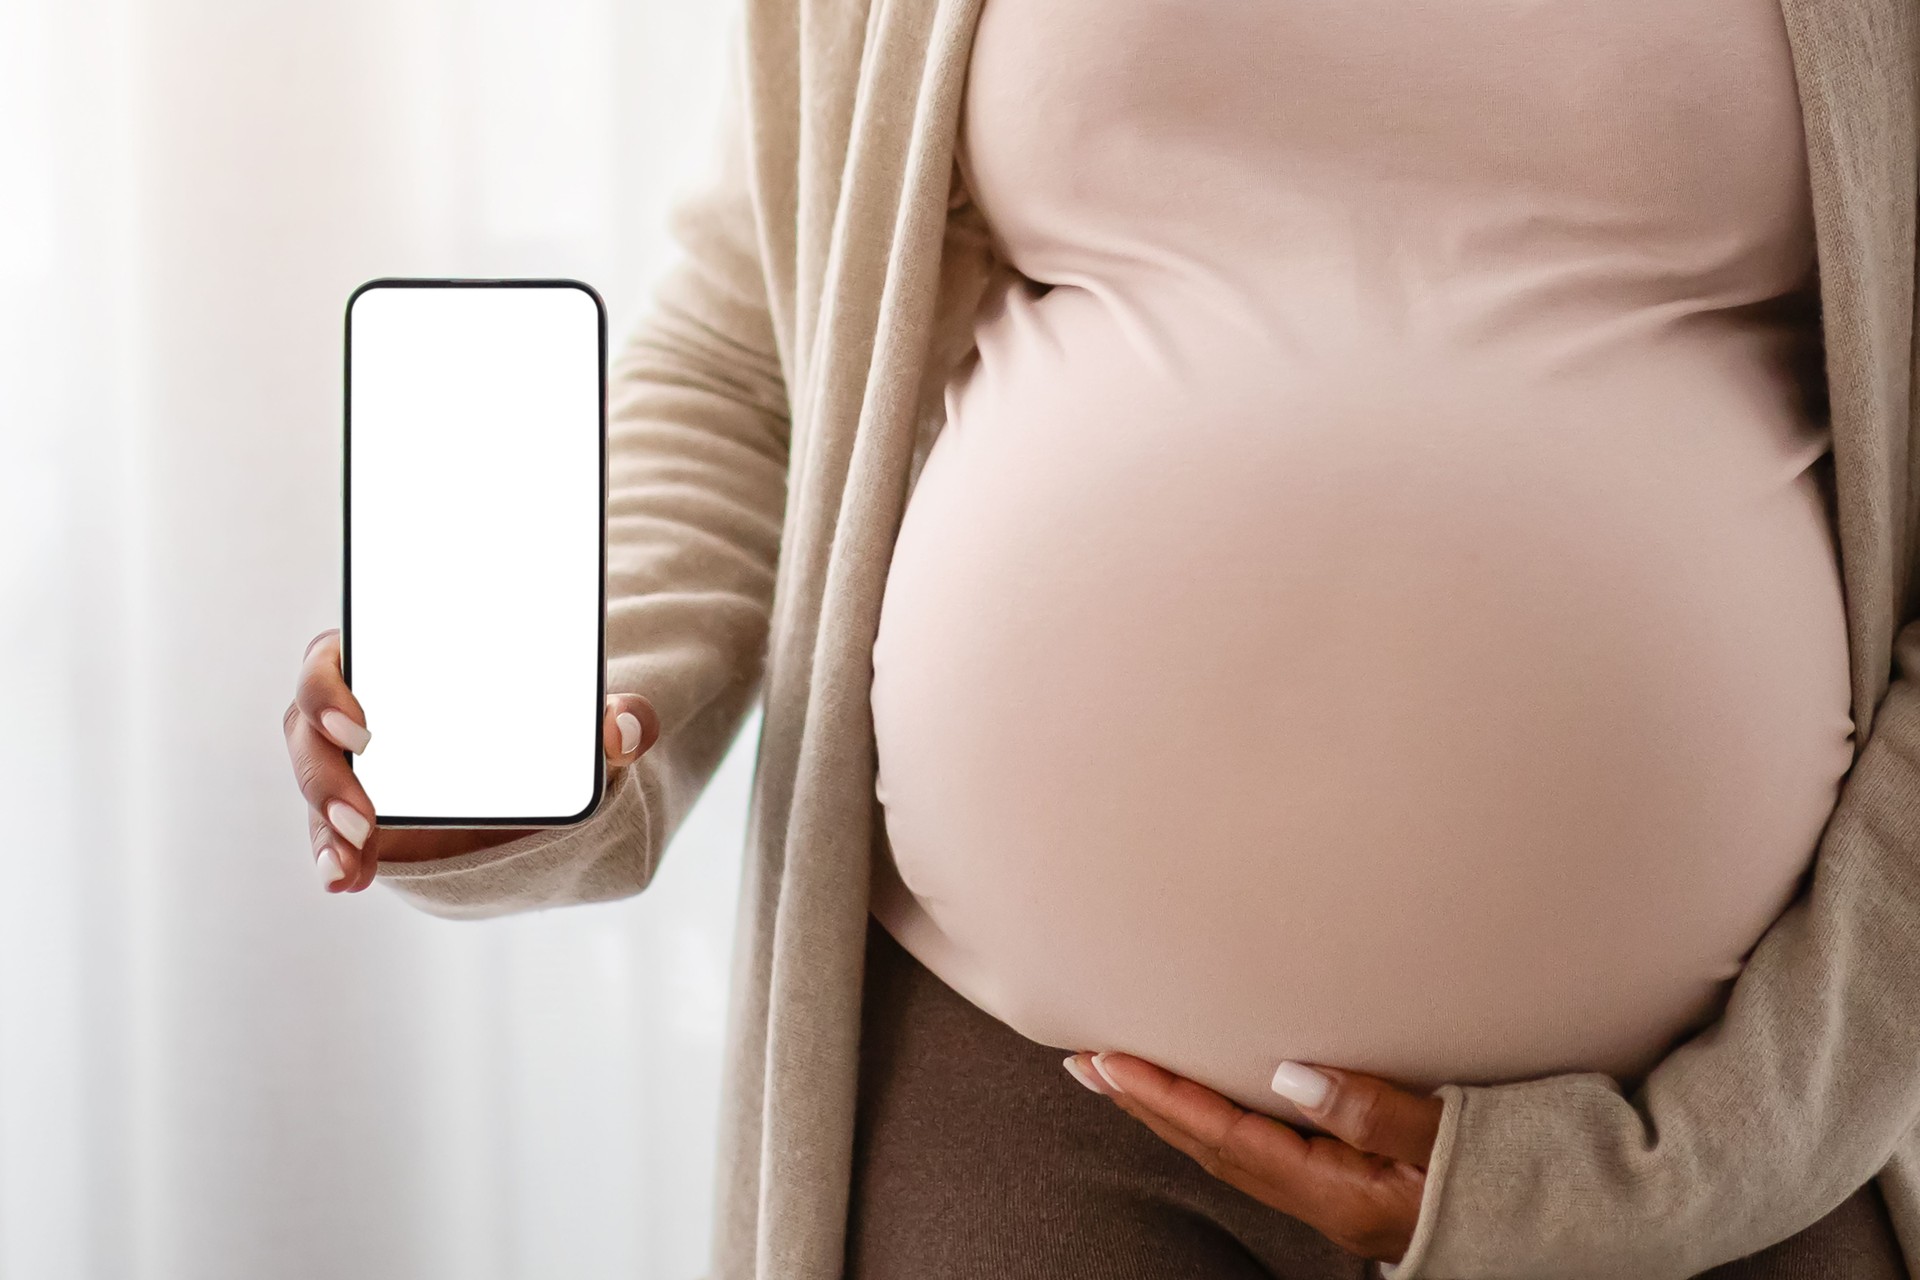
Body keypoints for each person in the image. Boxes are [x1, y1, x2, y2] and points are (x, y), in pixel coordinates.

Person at [283, 1, 1920, 1276]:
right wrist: (581, 715)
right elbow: (763, 345)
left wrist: (1709, 1153)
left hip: (1713, 1141)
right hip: (1033, 1102)